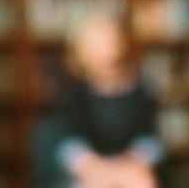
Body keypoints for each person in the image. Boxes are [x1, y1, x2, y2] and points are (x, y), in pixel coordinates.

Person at [34, 13, 163, 188]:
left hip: (130, 167)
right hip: (89, 170)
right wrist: (96, 168)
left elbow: (150, 137)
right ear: (82, 50)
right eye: (96, 42)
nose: (105, 47)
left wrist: (130, 164)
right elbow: (66, 140)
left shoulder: (139, 88)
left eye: (109, 39)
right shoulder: (72, 91)